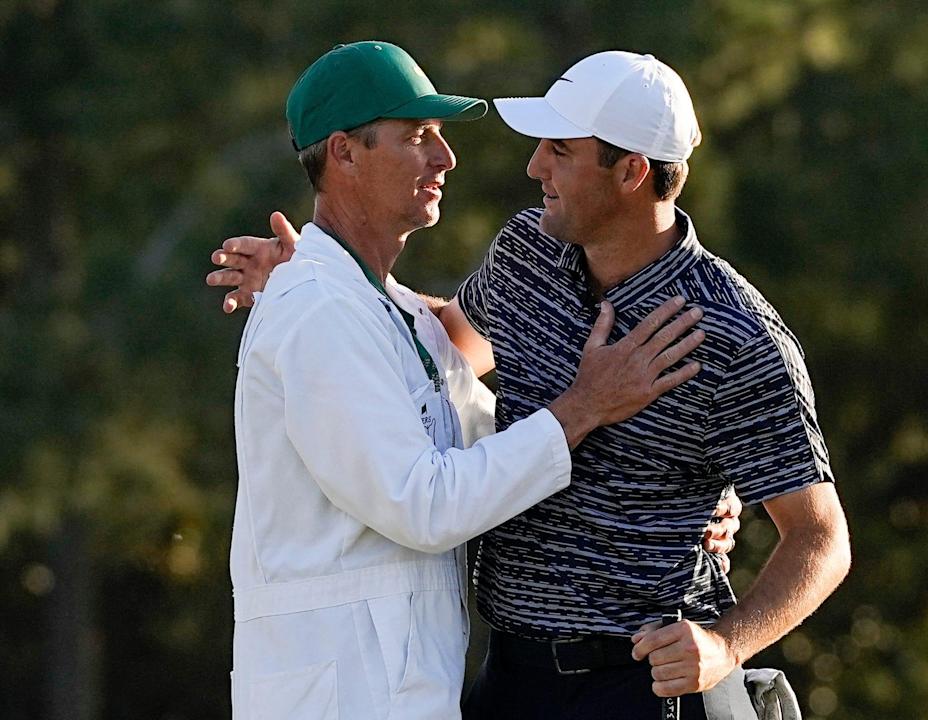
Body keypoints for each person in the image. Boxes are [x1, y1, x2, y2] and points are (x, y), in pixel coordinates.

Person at [221, 41, 728, 720]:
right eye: (418, 136)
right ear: (343, 153)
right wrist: (584, 407)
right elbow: (424, 505)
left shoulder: (383, 310)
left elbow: (496, 445)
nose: (445, 158)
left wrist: (679, 494)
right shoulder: (317, 310)